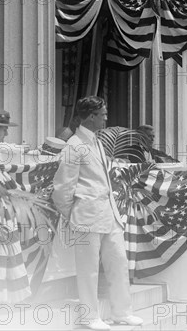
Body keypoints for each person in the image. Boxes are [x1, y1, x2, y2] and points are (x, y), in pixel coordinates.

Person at [52, 96, 142, 331]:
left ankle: (121, 312)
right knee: (88, 269)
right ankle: (89, 316)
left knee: (119, 262)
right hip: (86, 216)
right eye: (102, 114)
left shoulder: (97, 141)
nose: (106, 118)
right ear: (90, 116)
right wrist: (73, 213)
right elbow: (62, 187)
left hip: (108, 214)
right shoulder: (73, 145)